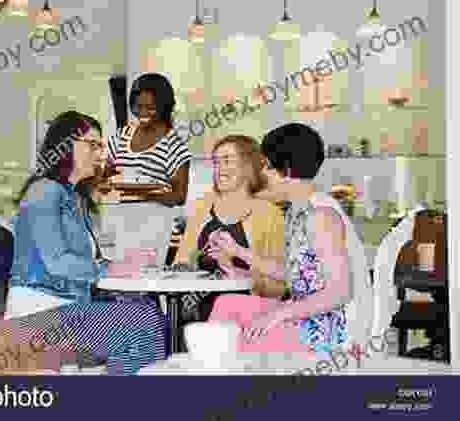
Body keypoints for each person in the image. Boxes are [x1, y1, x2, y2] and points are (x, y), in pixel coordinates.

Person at [4, 111, 167, 375]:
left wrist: (122, 265)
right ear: (65, 146)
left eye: (101, 146)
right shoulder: (43, 191)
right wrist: (112, 269)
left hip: (65, 311)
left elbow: (89, 264)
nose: (100, 153)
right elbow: (58, 263)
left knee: (145, 309)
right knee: (145, 323)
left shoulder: (77, 199)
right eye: (93, 145)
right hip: (35, 320)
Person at [207, 123, 370, 354]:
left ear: (288, 170)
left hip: (331, 332)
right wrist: (238, 255)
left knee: (235, 342)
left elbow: (340, 292)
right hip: (308, 316)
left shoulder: (321, 215)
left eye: (266, 167)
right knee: (226, 304)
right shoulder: (298, 210)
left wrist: (277, 315)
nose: (259, 175)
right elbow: (298, 274)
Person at [176, 136, 286, 322]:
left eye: (227, 161)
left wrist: (236, 270)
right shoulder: (203, 206)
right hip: (196, 310)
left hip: (246, 314)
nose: (219, 169)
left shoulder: (270, 214)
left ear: (248, 165)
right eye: (216, 162)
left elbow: (280, 286)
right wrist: (187, 268)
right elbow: (181, 261)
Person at [105, 73, 192, 205]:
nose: (143, 113)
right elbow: (104, 175)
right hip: (117, 217)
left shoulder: (174, 146)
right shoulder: (121, 136)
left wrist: (145, 195)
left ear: (164, 108)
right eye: (138, 107)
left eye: (150, 108)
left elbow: (179, 197)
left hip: (153, 220)